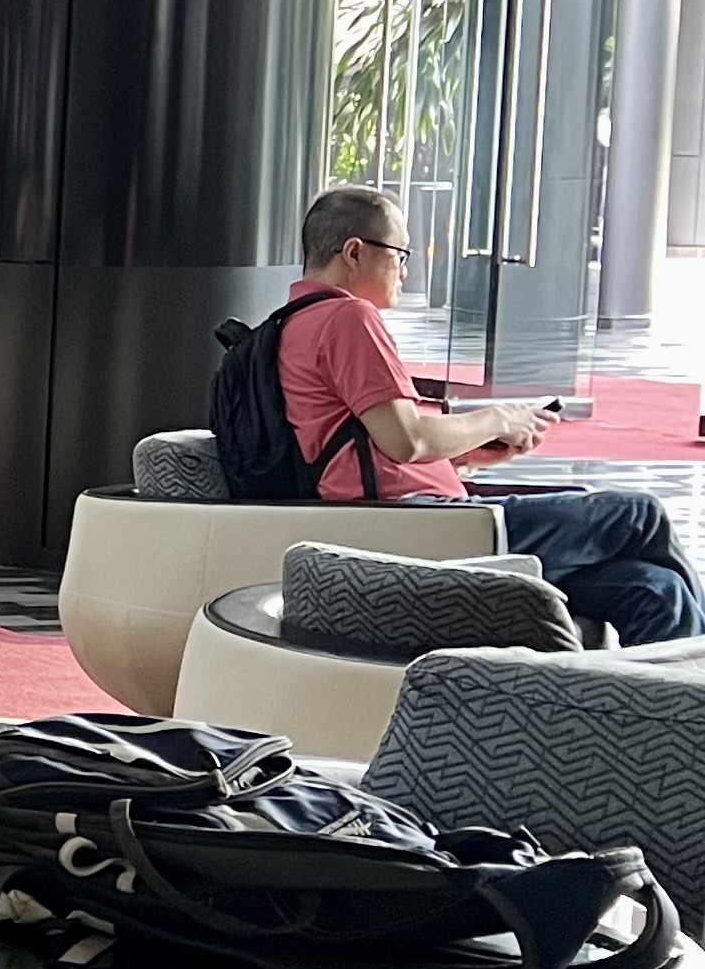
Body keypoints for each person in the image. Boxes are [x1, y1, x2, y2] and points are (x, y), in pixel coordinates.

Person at [276, 183, 696, 645]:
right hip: (428, 527)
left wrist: (463, 456)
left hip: (418, 515)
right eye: (400, 253)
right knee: (638, 515)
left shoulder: (294, 321)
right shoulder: (347, 318)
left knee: (657, 592)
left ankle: (665, 708)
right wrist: (499, 418)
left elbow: (363, 447)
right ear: (354, 252)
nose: (405, 270)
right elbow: (408, 440)